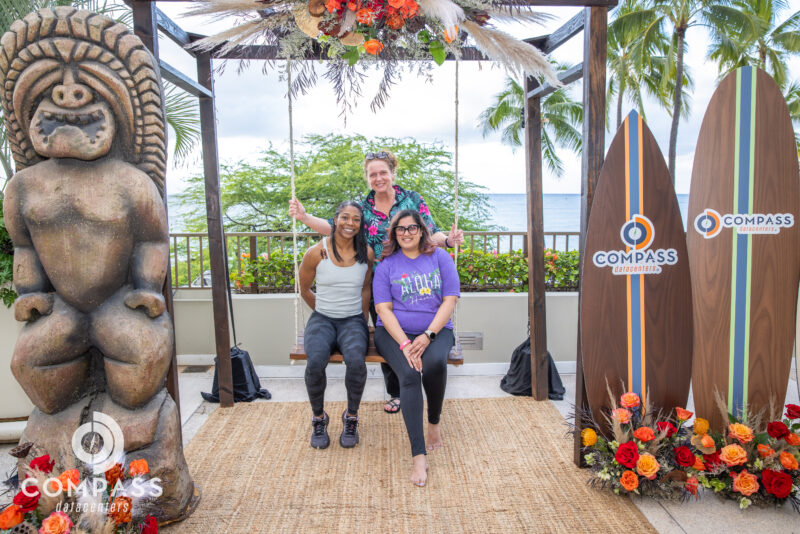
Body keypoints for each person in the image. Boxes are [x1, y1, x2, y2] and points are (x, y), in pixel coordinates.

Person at [289, 150, 463, 415]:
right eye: (373, 174)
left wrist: (448, 241)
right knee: (389, 337)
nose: (378, 178)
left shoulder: (412, 199)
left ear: (392, 173)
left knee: (417, 332)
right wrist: (304, 217)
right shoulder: (364, 208)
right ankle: (396, 392)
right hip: (380, 284)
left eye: (383, 172)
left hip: (411, 281)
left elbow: (429, 232)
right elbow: (336, 228)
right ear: (367, 178)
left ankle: (417, 386)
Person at [372, 210, 460, 487]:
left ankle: (433, 422)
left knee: (434, 364)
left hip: (436, 329)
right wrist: (406, 343)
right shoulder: (386, 265)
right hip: (393, 333)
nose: (406, 233)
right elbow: (383, 309)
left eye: (412, 228)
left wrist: (427, 335)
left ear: (421, 230)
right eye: (400, 229)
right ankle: (418, 455)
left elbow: (449, 300)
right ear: (394, 234)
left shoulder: (440, 257)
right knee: (409, 375)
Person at [298, 201, 375, 449]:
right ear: (335, 220)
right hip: (322, 318)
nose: (350, 223)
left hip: (353, 320)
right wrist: (323, 310)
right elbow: (304, 289)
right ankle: (319, 418)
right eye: (345, 217)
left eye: (356, 219)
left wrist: (363, 319)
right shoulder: (316, 253)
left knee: (355, 361)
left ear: (360, 224)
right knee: (315, 362)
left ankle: (351, 417)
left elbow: (365, 288)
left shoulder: (366, 253)